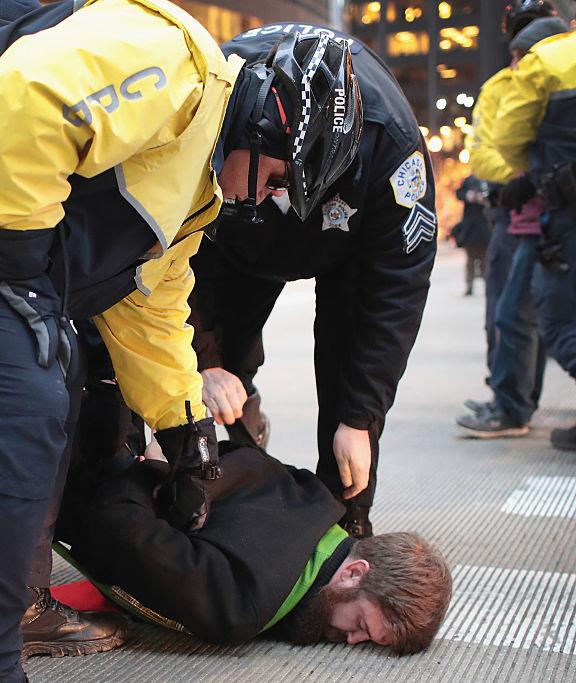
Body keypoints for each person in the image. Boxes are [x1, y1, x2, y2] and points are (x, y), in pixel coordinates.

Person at [0, 0, 364, 674]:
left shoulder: (196, 183)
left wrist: (185, 433)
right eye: (274, 178)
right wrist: (23, 271)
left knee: (44, 389)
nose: (265, 198)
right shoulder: (175, 61)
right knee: (21, 402)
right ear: (266, 121)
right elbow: (18, 107)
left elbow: (149, 303)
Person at [188, 23, 434, 539]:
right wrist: (204, 366)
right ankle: (219, 478)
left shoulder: (392, 146)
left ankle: (343, 531)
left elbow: (393, 294)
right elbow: (177, 273)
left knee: (350, 416)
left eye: (288, 186)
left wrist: (359, 419)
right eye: (278, 180)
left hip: (346, 250)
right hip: (225, 235)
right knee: (213, 380)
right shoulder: (217, 100)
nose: (276, 195)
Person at [61, 432, 452, 654]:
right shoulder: (242, 605)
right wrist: (148, 475)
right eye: (363, 625)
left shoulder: (314, 495)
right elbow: (113, 531)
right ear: (354, 572)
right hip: (56, 489)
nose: (352, 640)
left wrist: (161, 464)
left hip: (107, 432)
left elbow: (225, 451)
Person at [456, 15, 569, 439]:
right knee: (527, 318)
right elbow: (490, 149)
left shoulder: (537, 82)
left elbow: (499, 145)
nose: (519, 62)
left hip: (541, 220)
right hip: (533, 216)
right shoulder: (524, 83)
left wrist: (521, 178)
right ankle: (514, 402)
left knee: (523, 318)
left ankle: (512, 406)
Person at [491, 21, 576, 451]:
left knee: (556, 320)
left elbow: (506, 137)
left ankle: (511, 407)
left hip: (565, 212)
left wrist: (527, 172)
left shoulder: (548, 60)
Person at [451, 175, 491, 297]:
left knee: (485, 259)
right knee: (470, 259)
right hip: (470, 226)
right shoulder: (469, 180)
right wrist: (469, 195)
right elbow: (459, 193)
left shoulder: (489, 179)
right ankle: (469, 285)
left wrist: (484, 199)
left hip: (485, 225)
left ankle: (487, 285)